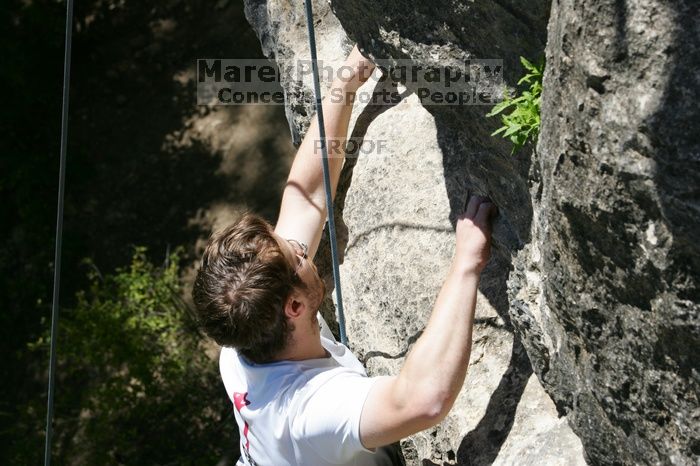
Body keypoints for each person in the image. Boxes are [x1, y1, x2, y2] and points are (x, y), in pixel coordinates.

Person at [192, 45, 497, 466]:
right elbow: (424, 399)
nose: (302, 245)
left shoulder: (244, 337)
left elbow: (308, 198)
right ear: (294, 306)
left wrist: (346, 82)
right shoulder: (311, 411)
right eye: (299, 255)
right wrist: (466, 263)